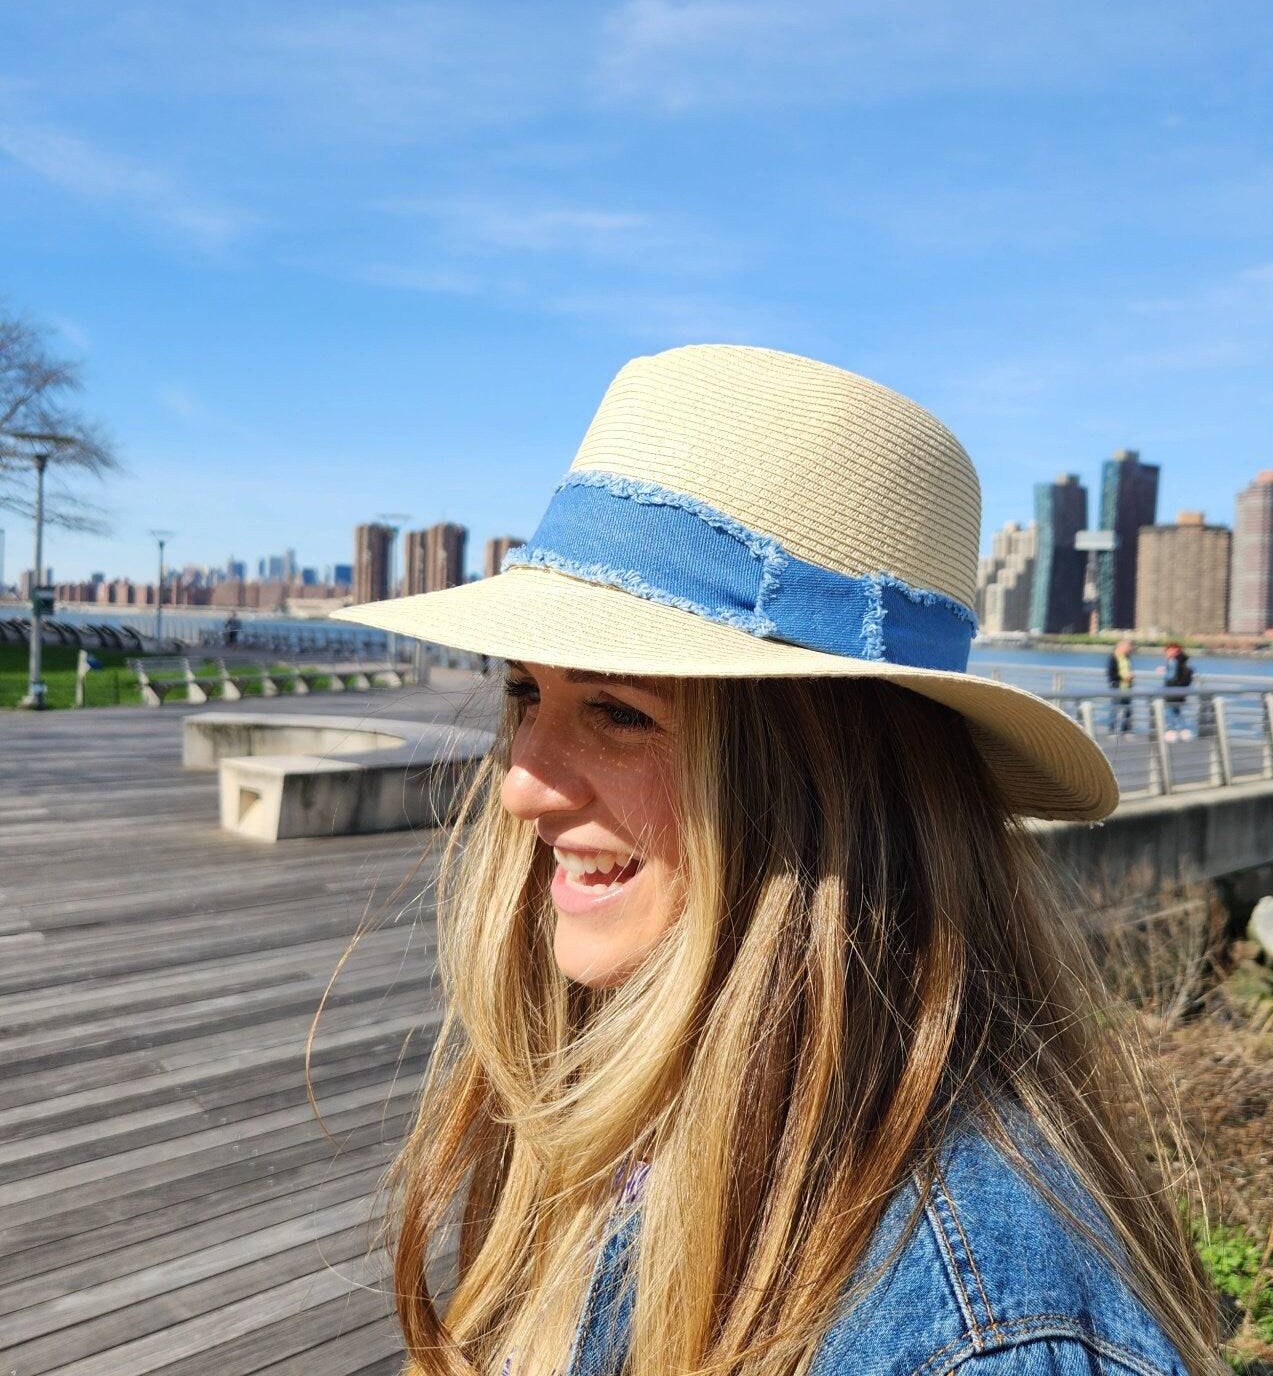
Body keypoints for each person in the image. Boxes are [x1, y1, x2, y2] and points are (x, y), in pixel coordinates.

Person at [334, 346, 1221, 1376]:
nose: (521, 783)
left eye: (620, 711)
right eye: (525, 693)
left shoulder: (978, 1337)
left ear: (833, 787)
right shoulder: (637, 1111)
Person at [1161, 642, 1194, 741]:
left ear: (1174, 650)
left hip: (1172, 690)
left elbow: (1170, 676)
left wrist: (1163, 672)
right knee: (1177, 711)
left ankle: (1171, 731)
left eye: (1167, 651)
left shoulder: (1172, 661)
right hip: (1181, 690)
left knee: (1169, 711)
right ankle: (1185, 731)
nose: (1165, 653)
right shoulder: (1183, 661)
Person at [1104, 637, 1135, 735]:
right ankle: (1112, 730)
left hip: (1127, 688)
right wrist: (1123, 677)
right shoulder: (1113, 658)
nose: (1129, 649)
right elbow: (1111, 674)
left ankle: (1126, 730)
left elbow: (1127, 669)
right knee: (1115, 708)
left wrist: (1130, 677)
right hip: (1117, 687)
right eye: (1128, 647)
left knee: (1128, 709)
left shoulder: (1127, 657)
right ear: (1121, 647)